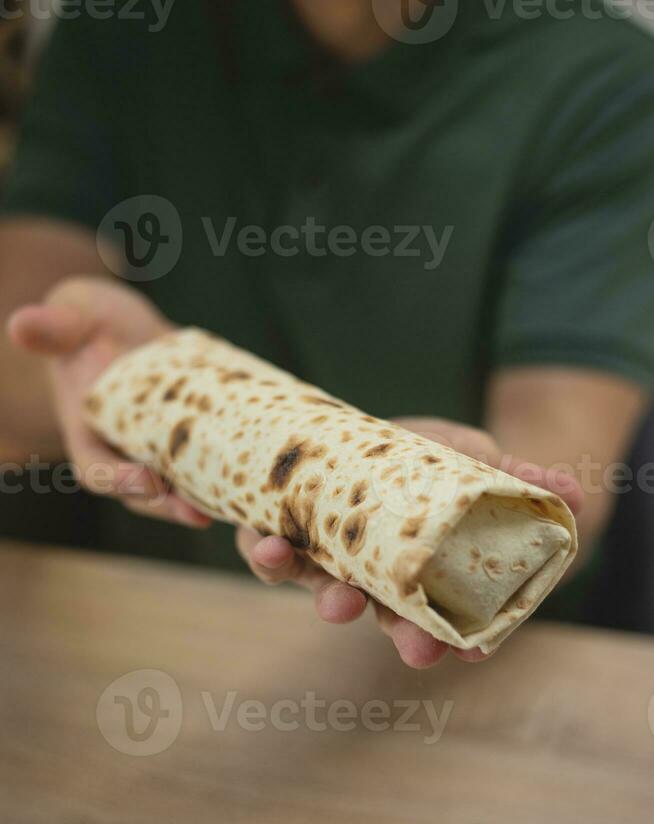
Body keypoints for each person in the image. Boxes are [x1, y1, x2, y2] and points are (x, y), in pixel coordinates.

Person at [0, 0, 651, 668]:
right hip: (151, 631)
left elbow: (566, 453)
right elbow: (20, 354)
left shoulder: (598, 78)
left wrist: (450, 492)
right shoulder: (123, 31)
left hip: (486, 683)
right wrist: (102, 365)